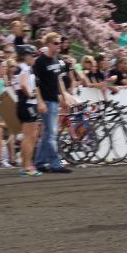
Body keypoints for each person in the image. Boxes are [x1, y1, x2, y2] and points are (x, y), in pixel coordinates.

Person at [34, 32, 72, 173]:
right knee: (51, 134)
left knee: (48, 133)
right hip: (46, 101)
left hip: (54, 100)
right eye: (56, 43)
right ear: (48, 44)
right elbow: (36, 84)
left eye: (59, 43)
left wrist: (64, 96)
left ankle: (39, 162)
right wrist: (40, 102)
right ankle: (55, 164)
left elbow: (59, 80)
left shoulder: (56, 60)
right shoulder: (40, 62)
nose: (58, 45)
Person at [13, 44, 43, 176]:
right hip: (27, 104)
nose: (34, 58)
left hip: (24, 104)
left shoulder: (21, 68)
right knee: (29, 137)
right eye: (33, 55)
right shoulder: (24, 69)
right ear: (25, 56)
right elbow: (24, 85)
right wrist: (31, 95)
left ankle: (27, 166)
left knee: (31, 136)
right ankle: (26, 166)